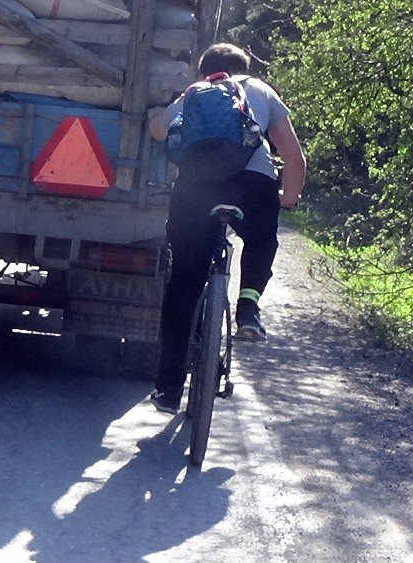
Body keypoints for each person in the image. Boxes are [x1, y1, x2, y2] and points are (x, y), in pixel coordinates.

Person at [147, 43, 306, 414]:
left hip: (196, 191)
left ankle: (169, 389)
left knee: (184, 284)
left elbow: (159, 131)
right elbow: (294, 157)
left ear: (206, 70)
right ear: (244, 68)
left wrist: (157, 115)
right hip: (254, 186)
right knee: (262, 240)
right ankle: (248, 306)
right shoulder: (262, 91)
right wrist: (288, 196)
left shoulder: (195, 93)